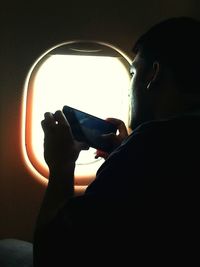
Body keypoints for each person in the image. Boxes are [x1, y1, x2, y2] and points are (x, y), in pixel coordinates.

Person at [33, 17, 200, 266]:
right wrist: (122, 156)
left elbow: (51, 255)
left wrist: (62, 167)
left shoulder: (148, 146)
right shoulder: (169, 143)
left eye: (133, 72)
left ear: (153, 74)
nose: (129, 87)